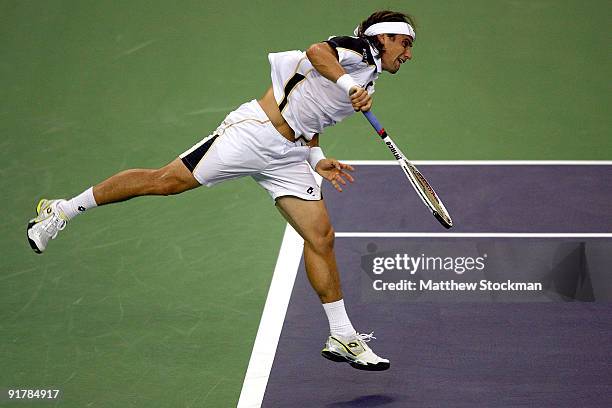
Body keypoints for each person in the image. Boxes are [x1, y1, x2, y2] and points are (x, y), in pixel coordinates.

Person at [26, 10, 415, 371]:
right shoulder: (358, 51)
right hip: (253, 134)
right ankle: (61, 210)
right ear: (386, 38)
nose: (409, 55)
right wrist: (348, 84)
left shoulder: (369, 79)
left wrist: (316, 158)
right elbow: (317, 51)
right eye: (405, 44)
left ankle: (342, 336)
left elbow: (312, 110)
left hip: (290, 155)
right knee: (165, 182)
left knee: (321, 237)